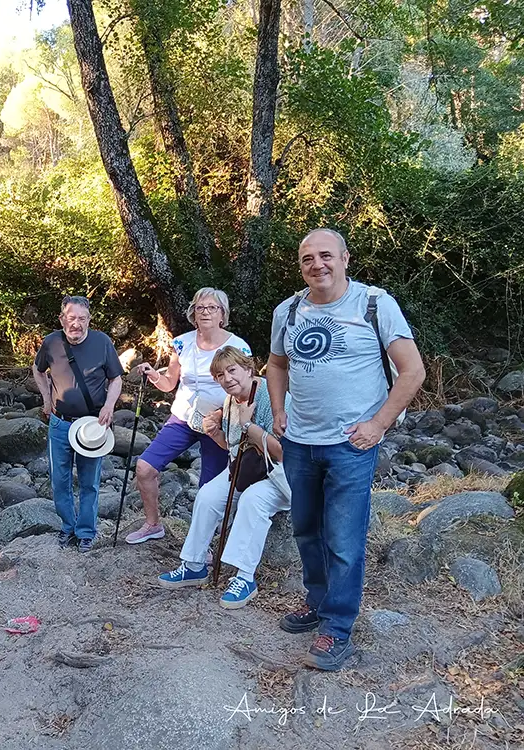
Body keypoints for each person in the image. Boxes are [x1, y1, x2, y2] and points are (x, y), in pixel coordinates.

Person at [267, 228, 425, 671]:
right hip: (299, 440)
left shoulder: (374, 304)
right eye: (307, 259)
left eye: (325, 256)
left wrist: (378, 424)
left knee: (344, 539)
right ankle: (317, 601)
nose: (317, 265)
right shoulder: (289, 309)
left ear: (345, 258)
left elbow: (412, 371)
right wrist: (278, 410)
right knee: (305, 529)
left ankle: (336, 628)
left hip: (350, 446)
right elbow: (276, 363)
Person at [157, 347, 289, 609]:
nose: (227, 379)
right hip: (246, 469)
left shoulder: (271, 395)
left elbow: (283, 452)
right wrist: (215, 431)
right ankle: (194, 564)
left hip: (278, 474)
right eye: (220, 375)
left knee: (253, 500)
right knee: (207, 495)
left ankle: (244, 577)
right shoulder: (230, 402)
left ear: (248, 369)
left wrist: (249, 426)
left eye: (232, 370)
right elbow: (231, 446)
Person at [126, 288, 251, 545]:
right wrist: (154, 375)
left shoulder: (238, 346)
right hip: (182, 418)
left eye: (212, 308)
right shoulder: (181, 343)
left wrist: (222, 416)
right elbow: (170, 383)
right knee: (144, 467)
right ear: (193, 313)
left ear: (222, 315)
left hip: (219, 421)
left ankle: (202, 544)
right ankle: (152, 524)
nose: (205, 312)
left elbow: (247, 388)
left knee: (208, 490)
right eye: (200, 307)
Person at [32, 295, 123, 553]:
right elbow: (38, 370)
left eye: (82, 318)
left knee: (89, 481)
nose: (76, 324)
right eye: (71, 318)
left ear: (89, 320)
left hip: (93, 425)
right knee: (59, 480)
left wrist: (109, 406)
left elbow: (116, 379)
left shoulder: (102, 342)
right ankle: (67, 527)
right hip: (60, 424)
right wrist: (46, 399)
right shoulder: (51, 342)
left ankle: (86, 532)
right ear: (62, 319)